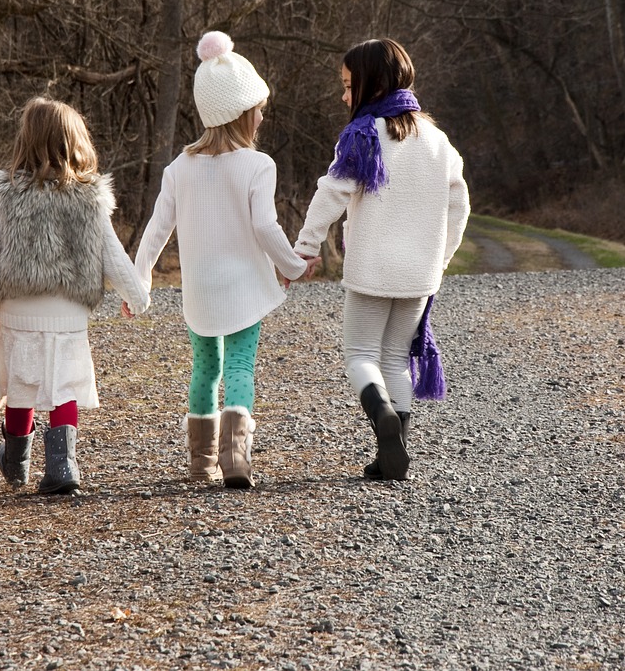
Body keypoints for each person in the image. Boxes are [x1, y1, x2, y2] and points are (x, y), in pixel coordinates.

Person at [0, 97, 149, 495]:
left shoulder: (9, 196)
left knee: (22, 386)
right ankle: (63, 468)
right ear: (76, 142)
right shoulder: (90, 200)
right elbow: (115, 259)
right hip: (67, 316)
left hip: (17, 313)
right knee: (62, 388)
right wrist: (137, 298)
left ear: (26, 141)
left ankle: (16, 462)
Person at [132, 31, 308, 489]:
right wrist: (292, 266)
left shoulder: (179, 168)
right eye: (258, 108)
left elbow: (156, 230)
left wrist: (140, 281)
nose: (262, 115)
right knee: (240, 367)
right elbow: (266, 228)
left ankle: (200, 462)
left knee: (205, 369)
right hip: (244, 289)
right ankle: (235, 458)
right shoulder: (257, 165)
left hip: (201, 293)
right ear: (241, 113)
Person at [293, 38, 469, 482]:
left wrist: (307, 247)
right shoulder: (438, 140)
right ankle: (395, 453)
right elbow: (459, 205)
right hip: (419, 274)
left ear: (372, 85)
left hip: (371, 270)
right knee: (395, 357)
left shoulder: (364, 134)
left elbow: (331, 193)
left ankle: (383, 417)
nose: (343, 96)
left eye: (349, 85)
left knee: (360, 355)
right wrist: (441, 258)